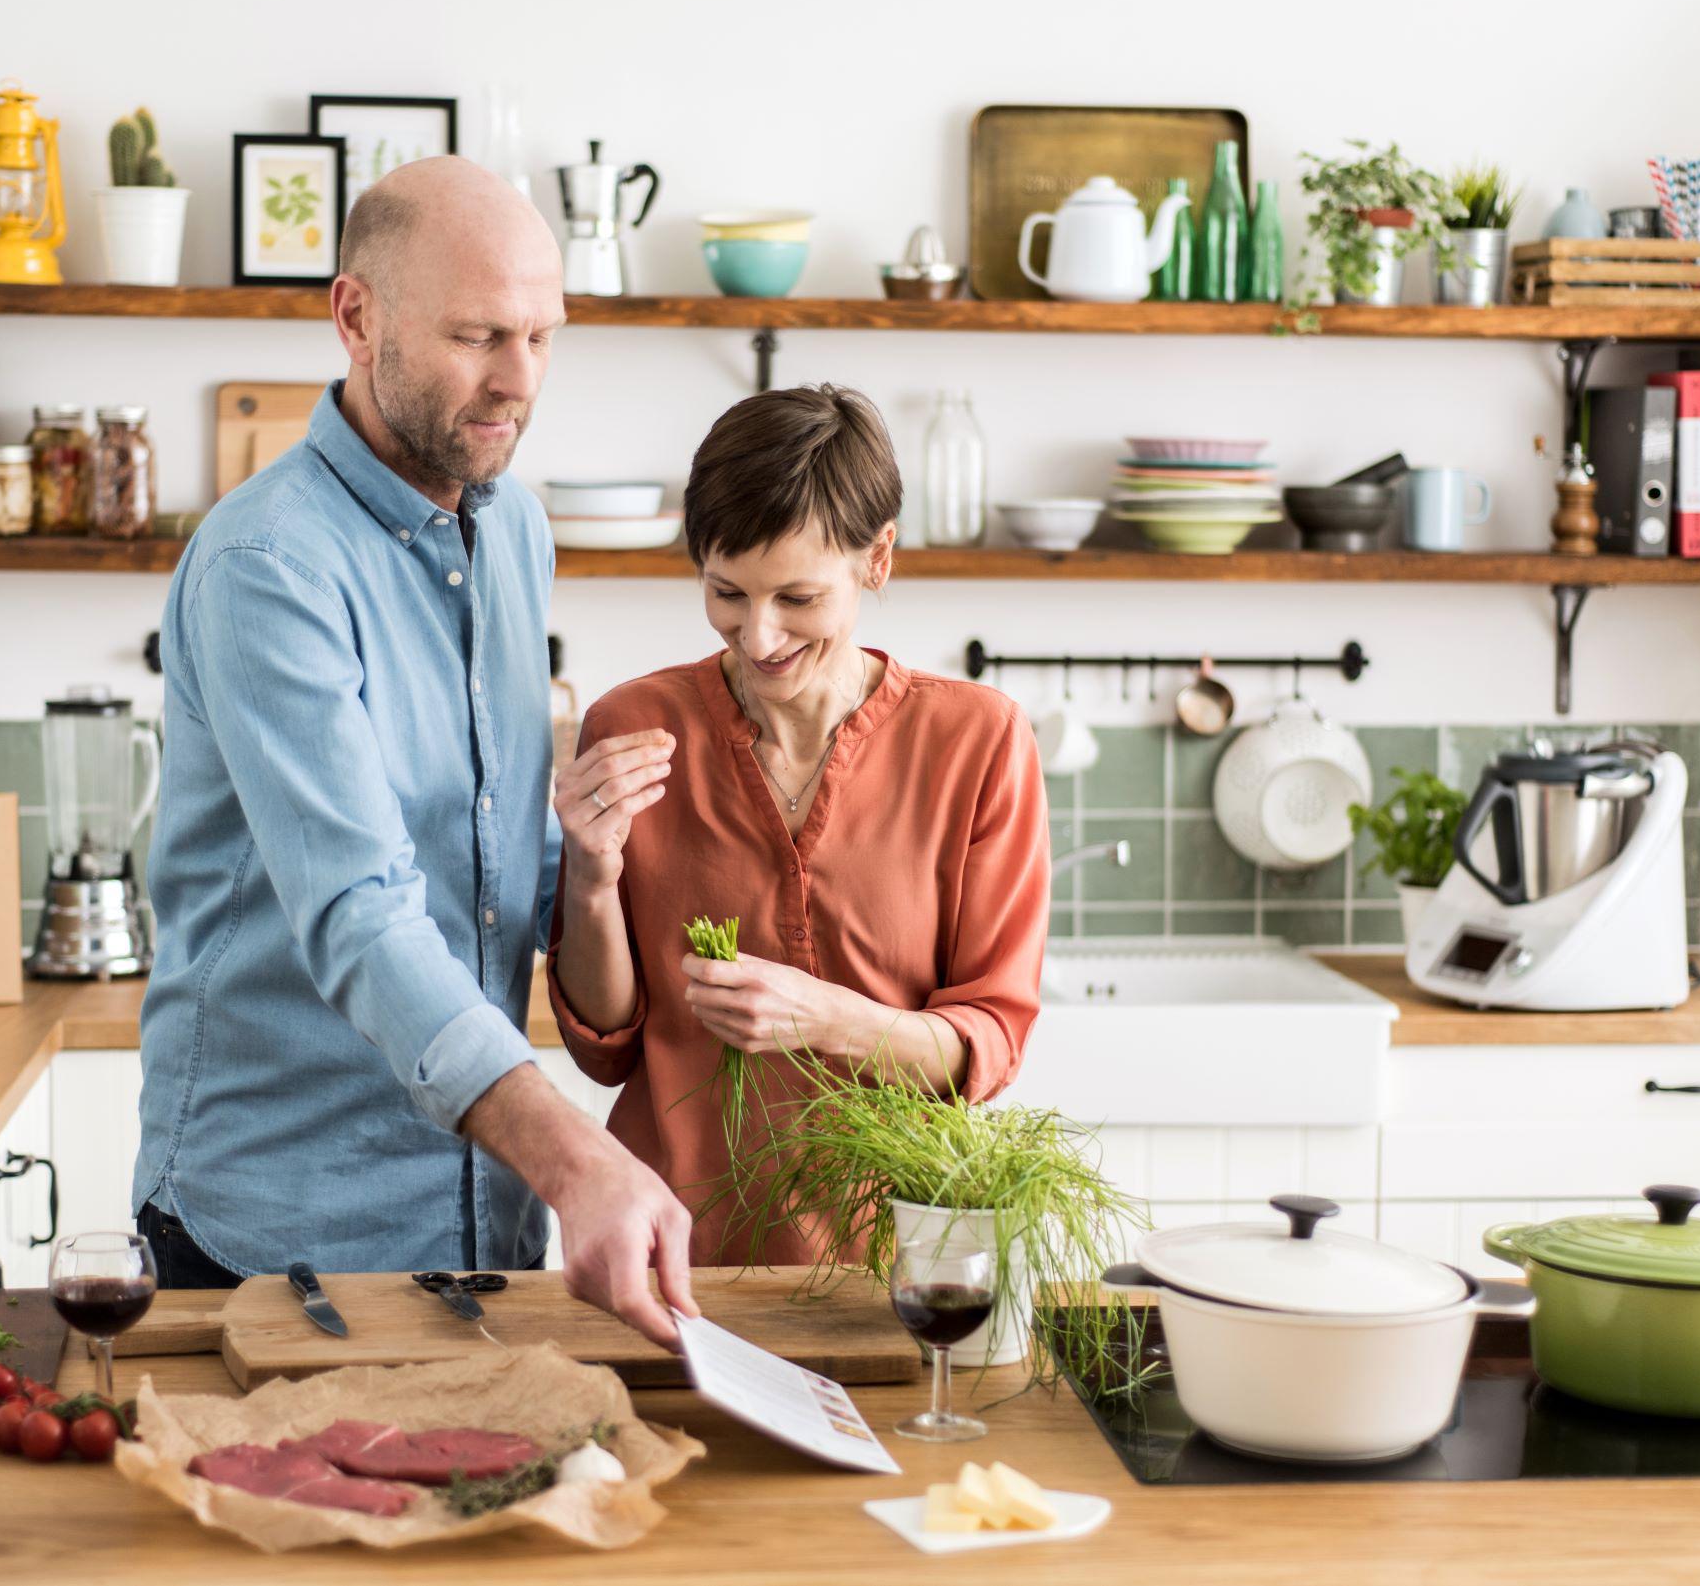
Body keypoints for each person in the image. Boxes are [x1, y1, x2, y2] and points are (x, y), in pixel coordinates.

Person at [134, 157, 698, 1346]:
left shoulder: (513, 531)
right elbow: (365, 913)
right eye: (479, 335)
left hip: (485, 1235)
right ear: (356, 316)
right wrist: (580, 1166)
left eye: (544, 335)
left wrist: (594, 871)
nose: (519, 381)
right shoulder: (267, 567)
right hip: (280, 1237)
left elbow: (492, 861)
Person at [545, 385, 1050, 1264]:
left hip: (895, 1265)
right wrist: (589, 875)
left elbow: (988, 1043)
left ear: (878, 559)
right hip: (670, 1250)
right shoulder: (632, 726)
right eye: (727, 592)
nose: (760, 634)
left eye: (799, 599)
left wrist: (821, 1015)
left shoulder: (979, 740)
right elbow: (607, 1044)